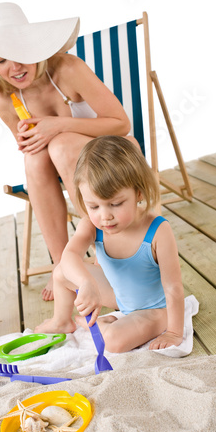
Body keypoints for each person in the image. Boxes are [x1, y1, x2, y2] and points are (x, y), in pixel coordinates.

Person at [0, 2, 136, 301]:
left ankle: (107, 251)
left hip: (114, 153)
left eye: (20, 55)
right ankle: (62, 265)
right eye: (0, 61)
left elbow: (121, 124)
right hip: (65, 168)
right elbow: (29, 145)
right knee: (34, 159)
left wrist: (57, 126)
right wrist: (32, 140)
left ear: (34, 46)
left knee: (60, 145)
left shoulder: (68, 68)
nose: (14, 68)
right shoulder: (4, 98)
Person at [34, 136, 185, 352]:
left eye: (115, 204)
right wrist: (85, 283)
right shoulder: (91, 224)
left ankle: (104, 325)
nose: (105, 216)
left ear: (138, 192)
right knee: (61, 272)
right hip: (119, 296)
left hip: (154, 309)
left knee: (113, 342)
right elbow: (70, 255)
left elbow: (173, 287)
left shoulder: (158, 230)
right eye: (94, 206)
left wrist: (174, 332)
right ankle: (61, 321)